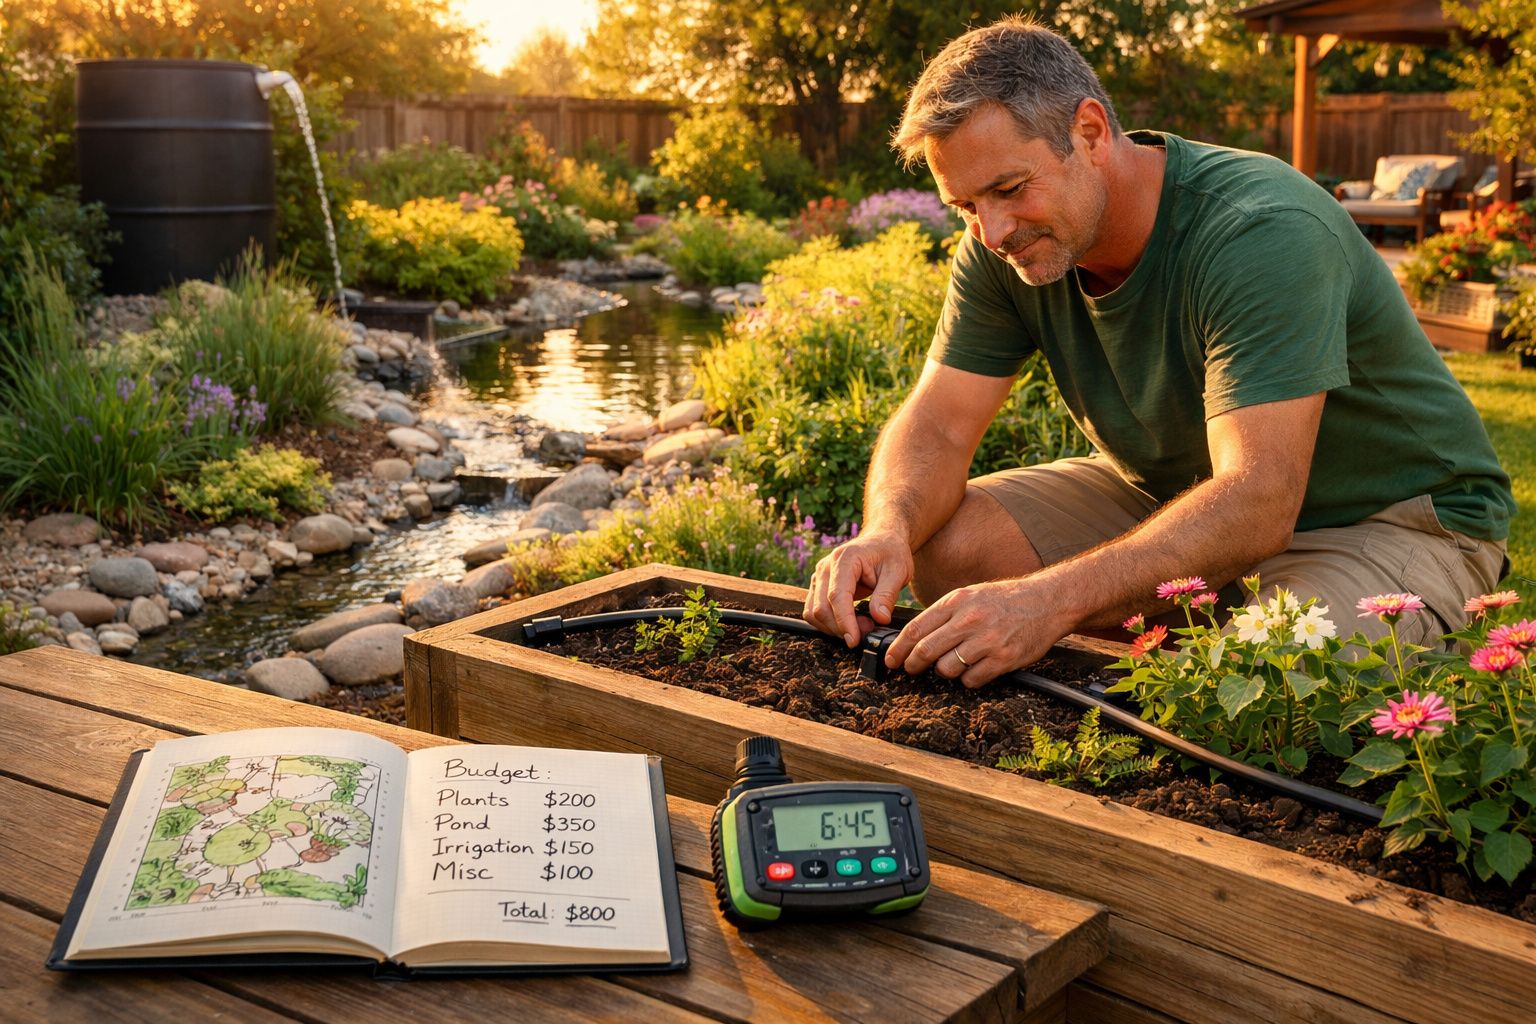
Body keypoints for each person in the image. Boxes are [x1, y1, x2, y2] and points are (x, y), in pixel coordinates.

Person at [802, 15, 1515, 687]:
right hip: (1183, 493)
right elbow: (940, 421)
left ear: (1088, 132)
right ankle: (1152, 679)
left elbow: (1260, 499)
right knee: (948, 546)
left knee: (1266, 679)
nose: (991, 230)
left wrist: (1049, 601)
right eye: (966, 206)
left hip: (1385, 518)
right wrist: (886, 532)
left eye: (1010, 189)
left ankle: (1193, 673)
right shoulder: (1005, 244)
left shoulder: (1258, 230)